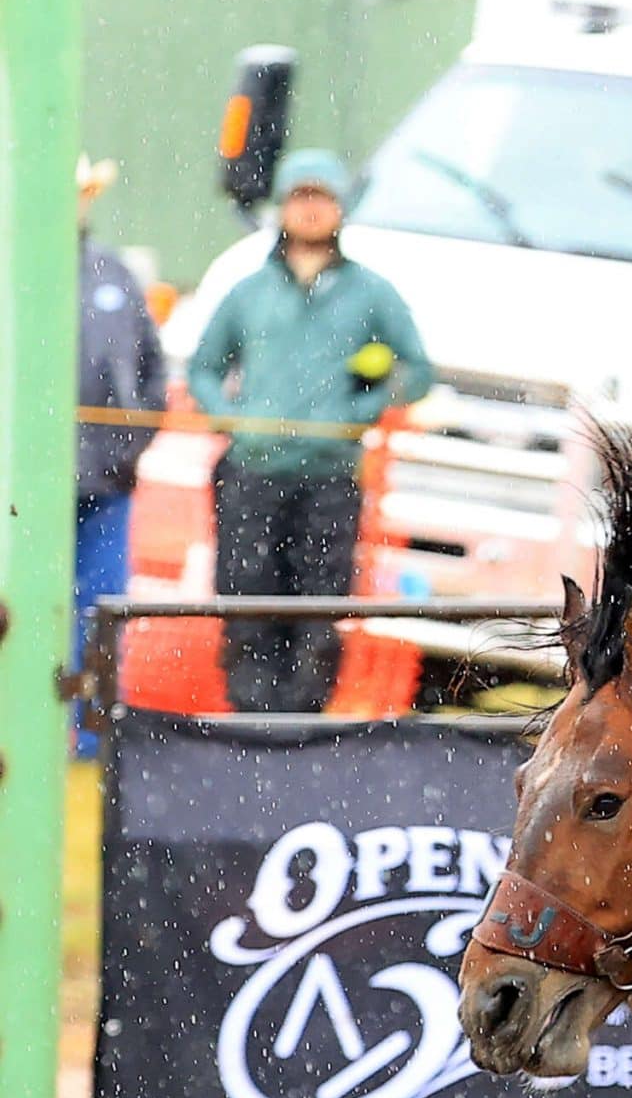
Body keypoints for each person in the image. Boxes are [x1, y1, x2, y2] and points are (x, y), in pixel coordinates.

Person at [184, 148, 431, 714]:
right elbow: (203, 368)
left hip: (329, 479)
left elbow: (417, 370)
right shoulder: (249, 292)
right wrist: (230, 417)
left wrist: (362, 409)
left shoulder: (371, 293)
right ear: (282, 206)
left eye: (323, 197)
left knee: (319, 611)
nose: (311, 209)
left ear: (342, 208)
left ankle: (302, 729)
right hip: (251, 475)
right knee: (245, 603)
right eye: (300, 196)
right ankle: (249, 727)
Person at [72, 154, 165, 753]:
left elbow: (151, 370)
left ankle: (90, 740)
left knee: (100, 611)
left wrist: (129, 443)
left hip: (105, 482)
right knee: (29, 612)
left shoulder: (113, 273)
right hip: (24, 492)